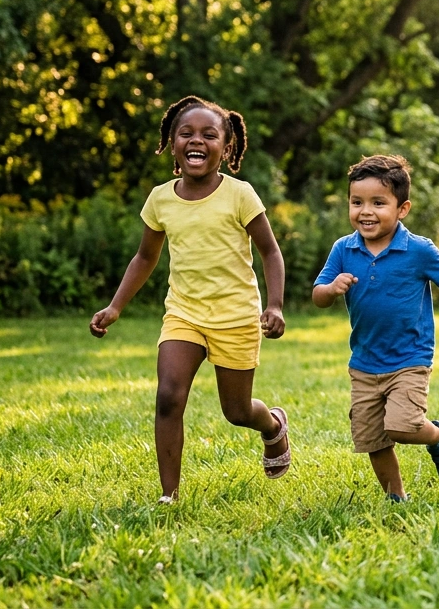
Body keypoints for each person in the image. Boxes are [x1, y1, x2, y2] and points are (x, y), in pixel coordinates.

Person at [89, 96, 290, 503]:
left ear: (227, 147)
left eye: (208, 134)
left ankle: (271, 426)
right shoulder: (160, 199)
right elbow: (146, 257)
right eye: (186, 133)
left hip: (235, 315)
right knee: (168, 395)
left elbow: (270, 250)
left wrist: (274, 305)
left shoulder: (240, 195)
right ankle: (169, 496)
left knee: (236, 412)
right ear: (172, 143)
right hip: (184, 313)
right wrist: (115, 306)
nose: (196, 140)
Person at [313, 155, 439, 502]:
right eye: (357, 202)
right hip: (364, 362)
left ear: (402, 209)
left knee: (402, 425)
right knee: (371, 438)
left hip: (410, 357)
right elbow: (318, 296)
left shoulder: (417, 250)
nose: (365, 211)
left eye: (378, 203)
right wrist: (331, 288)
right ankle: (396, 496)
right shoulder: (344, 248)